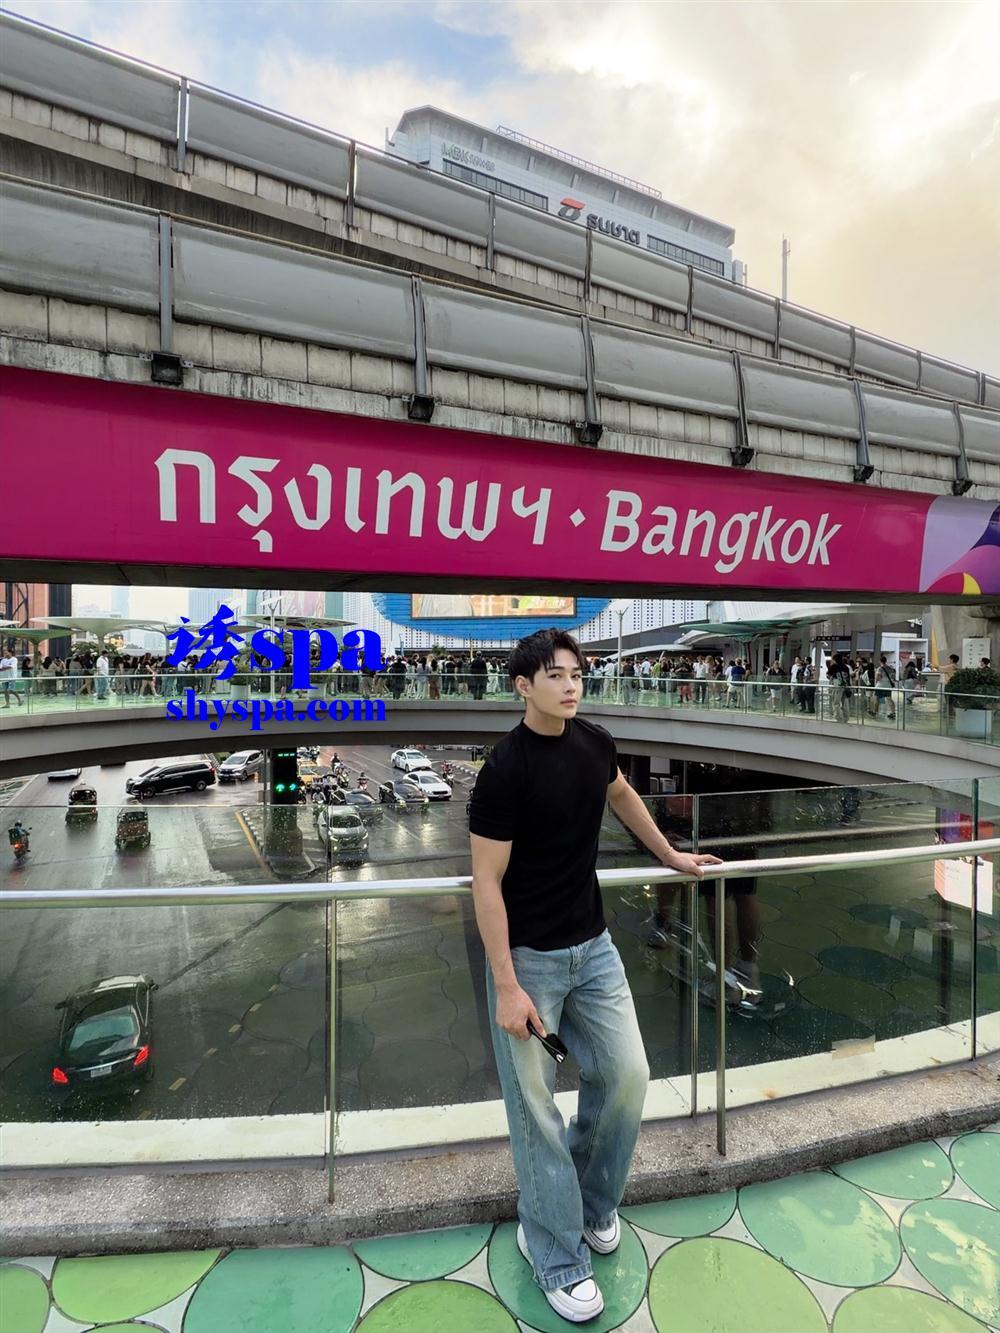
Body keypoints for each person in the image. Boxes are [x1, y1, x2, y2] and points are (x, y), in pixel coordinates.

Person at [469, 628, 718, 1322]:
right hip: (529, 961)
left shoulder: (595, 742)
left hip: (594, 947)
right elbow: (485, 882)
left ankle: (585, 1202)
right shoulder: (504, 770)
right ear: (523, 686)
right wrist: (507, 985)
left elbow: (623, 794)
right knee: (537, 1112)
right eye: (555, 675)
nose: (571, 684)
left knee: (627, 1075)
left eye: (577, 673)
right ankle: (553, 1249)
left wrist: (670, 854)